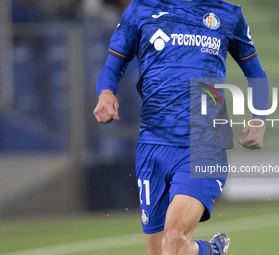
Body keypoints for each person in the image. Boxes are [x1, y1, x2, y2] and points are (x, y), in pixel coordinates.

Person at [93, 0, 269, 254]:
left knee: (174, 240)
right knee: (162, 250)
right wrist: (106, 93)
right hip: (153, 144)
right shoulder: (141, 9)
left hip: (204, 141)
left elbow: (256, 74)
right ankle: (211, 251)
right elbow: (111, 68)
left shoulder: (228, 14)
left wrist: (259, 118)